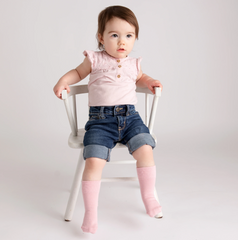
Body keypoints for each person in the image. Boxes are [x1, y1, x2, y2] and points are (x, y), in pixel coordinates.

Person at [53, 5, 163, 234]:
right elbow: (77, 73)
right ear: (101, 38)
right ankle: (91, 212)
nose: (122, 41)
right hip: (100, 122)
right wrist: (64, 81)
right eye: (114, 35)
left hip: (131, 118)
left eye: (129, 36)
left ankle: (148, 196)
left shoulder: (134, 64)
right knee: (93, 160)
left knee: (145, 149)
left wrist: (150, 81)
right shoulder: (95, 59)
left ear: (135, 39)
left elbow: (141, 77)